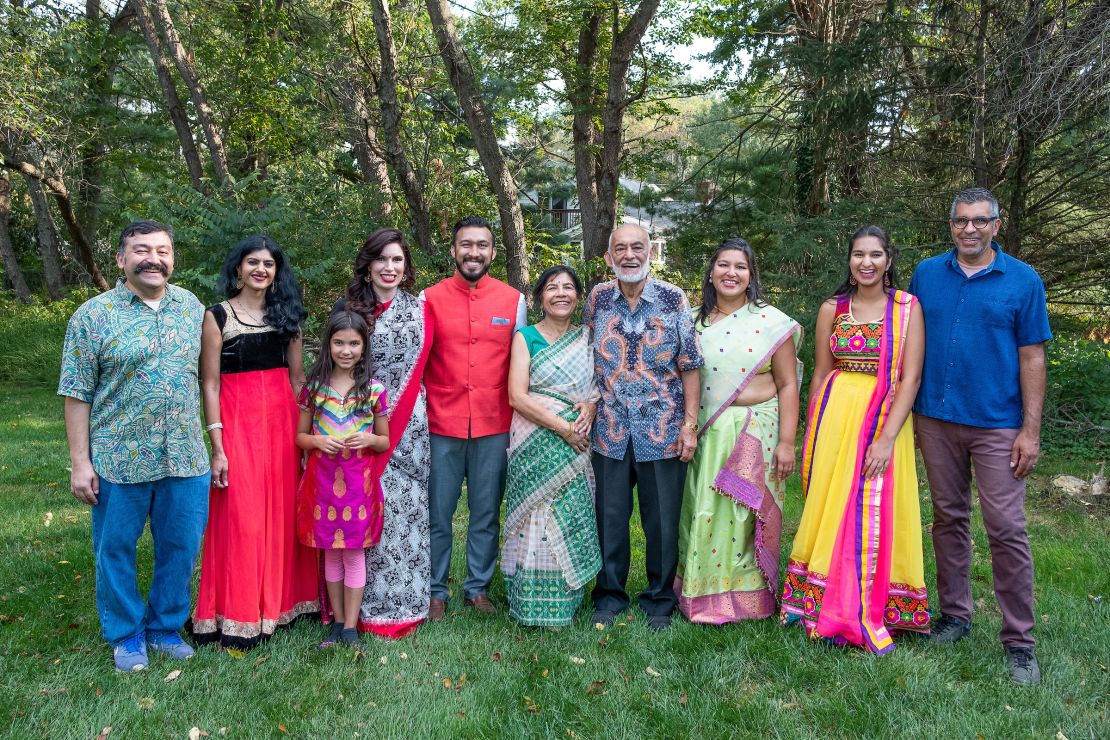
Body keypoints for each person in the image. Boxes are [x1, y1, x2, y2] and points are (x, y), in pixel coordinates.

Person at [910, 187, 1052, 684]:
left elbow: (1033, 356)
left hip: (997, 423)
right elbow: (906, 344)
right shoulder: (927, 274)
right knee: (948, 518)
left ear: (996, 224)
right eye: (960, 221)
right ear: (950, 225)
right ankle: (955, 615)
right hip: (936, 419)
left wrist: (1029, 431)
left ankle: (1019, 642)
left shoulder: (1022, 280)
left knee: (1006, 527)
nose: (969, 229)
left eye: (979, 221)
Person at [59, 220, 209, 672]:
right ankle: (126, 634)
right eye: (141, 250)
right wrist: (80, 463)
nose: (153, 258)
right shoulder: (93, 315)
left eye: (162, 250)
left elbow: (209, 378)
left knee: (180, 547)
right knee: (115, 549)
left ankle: (165, 626)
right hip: (119, 460)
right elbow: (76, 392)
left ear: (172, 259)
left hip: (184, 456)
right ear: (122, 259)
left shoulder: (191, 307)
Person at [780, 225, 929, 654]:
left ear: (889, 260)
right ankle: (820, 594)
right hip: (836, 415)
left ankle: (876, 602)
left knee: (877, 504)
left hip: (886, 417)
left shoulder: (907, 308)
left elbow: (911, 377)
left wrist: (887, 439)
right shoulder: (833, 308)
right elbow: (823, 373)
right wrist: (812, 431)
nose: (866, 263)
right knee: (833, 500)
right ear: (849, 260)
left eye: (876, 255)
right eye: (859, 254)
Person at [190, 235, 319, 649]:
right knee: (241, 517)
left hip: (282, 425)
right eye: (252, 262)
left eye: (268, 263)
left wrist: (308, 436)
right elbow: (209, 385)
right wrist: (218, 445)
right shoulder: (217, 317)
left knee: (282, 512)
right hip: (238, 425)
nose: (260, 269)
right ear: (238, 269)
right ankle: (238, 611)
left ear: (276, 271)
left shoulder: (289, 318)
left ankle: (286, 605)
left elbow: (299, 380)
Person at [582, 223, 705, 631]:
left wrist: (690, 424)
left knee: (662, 521)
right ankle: (609, 595)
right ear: (609, 257)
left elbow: (690, 365)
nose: (629, 255)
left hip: (663, 428)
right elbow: (586, 357)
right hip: (610, 430)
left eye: (638, 247)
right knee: (609, 518)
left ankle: (659, 599)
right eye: (621, 248)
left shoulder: (673, 299)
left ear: (650, 252)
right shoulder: (598, 299)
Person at [676, 239, 801, 624]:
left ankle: (747, 598)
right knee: (700, 509)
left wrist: (786, 442)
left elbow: (788, 385)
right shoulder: (690, 321)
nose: (731, 273)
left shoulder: (770, 322)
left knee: (742, 516)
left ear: (751, 276)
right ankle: (697, 593)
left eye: (741, 267)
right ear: (711, 272)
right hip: (704, 433)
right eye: (723, 265)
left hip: (753, 430)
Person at [421, 216, 527, 620]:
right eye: (466, 244)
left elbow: (520, 363)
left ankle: (477, 588)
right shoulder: (428, 299)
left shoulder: (512, 300)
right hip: (441, 424)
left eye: (482, 245)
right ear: (453, 250)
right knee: (438, 513)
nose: (474, 252)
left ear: (493, 252)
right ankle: (435, 590)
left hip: (494, 424)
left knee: (486, 512)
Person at [334, 227, 433, 639]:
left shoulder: (422, 310)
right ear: (368, 265)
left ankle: (405, 605)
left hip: (408, 427)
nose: (389, 268)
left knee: (404, 513)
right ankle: (357, 609)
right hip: (355, 423)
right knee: (360, 512)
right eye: (382, 259)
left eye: (397, 260)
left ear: (406, 265)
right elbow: (337, 365)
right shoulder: (349, 309)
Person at [502, 266, 602, 627]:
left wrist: (591, 404)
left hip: (579, 438)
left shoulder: (587, 338)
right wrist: (563, 429)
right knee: (533, 517)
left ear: (578, 296)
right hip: (535, 435)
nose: (561, 293)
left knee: (570, 512)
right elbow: (516, 395)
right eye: (552, 287)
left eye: (569, 287)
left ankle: (567, 599)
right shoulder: (525, 337)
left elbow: (597, 387)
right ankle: (528, 600)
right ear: (540, 296)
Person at [295, 311, 390, 647]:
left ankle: (351, 626)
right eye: (339, 342)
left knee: (353, 554)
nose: (346, 349)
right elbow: (300, 437)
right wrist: (318, 441)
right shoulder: (314, 389)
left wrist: (368, 440)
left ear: (364, 347)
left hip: (357, 486)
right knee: (331, 554)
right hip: (322, 485)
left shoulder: (374, 390)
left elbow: (384, 441)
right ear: (328, 345)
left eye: (353, 343)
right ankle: (335, 622)